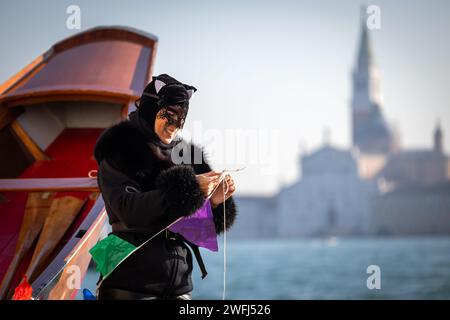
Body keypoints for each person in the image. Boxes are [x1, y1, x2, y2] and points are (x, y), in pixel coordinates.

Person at [93, 74, 237, 300]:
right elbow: (129, 210)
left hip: (178, 283)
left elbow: (195, 232)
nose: (176, 125)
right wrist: (190, 188)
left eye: (182, 117)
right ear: (151, 109)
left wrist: (216, 202)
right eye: (169, 115)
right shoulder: (118, 147)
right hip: (126, 279)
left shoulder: (188, 155)